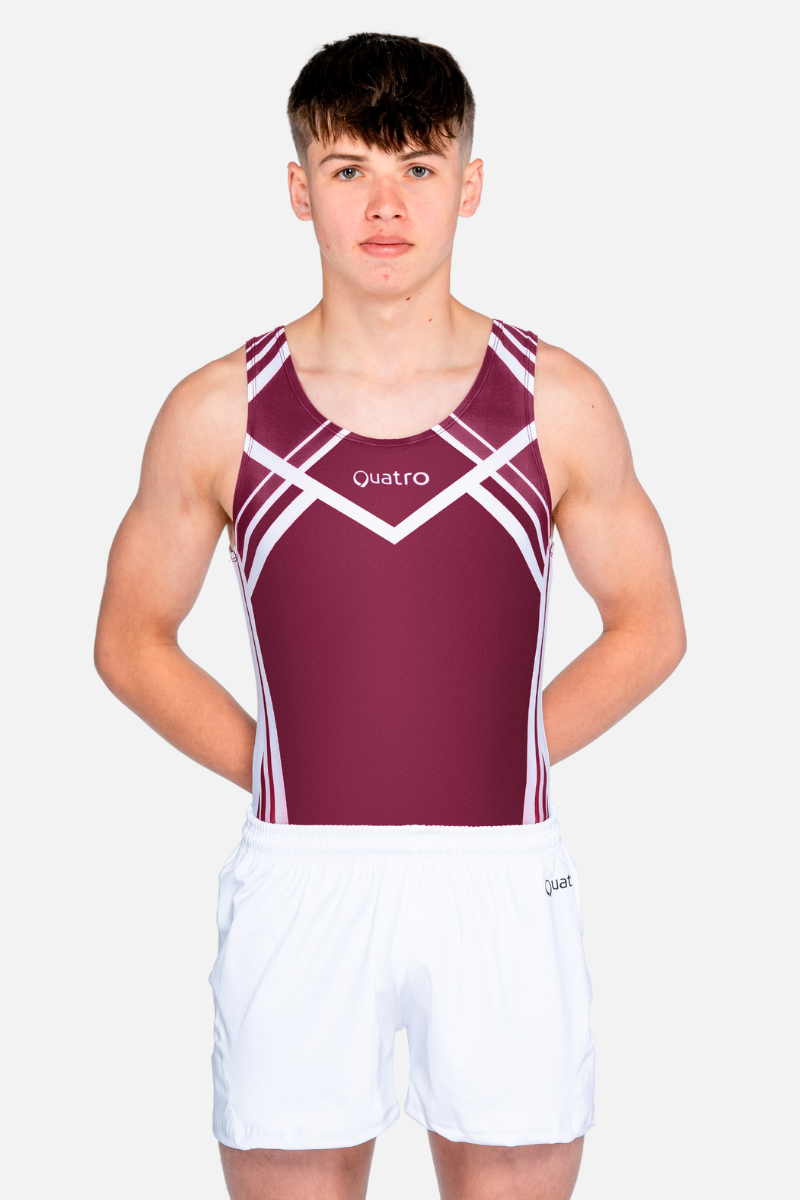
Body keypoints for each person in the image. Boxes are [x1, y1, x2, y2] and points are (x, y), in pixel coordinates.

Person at [95, 31, 685, 1200]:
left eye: (417, 167)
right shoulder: (219, 411)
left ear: (469, 185)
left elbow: (647, 627)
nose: (384, 204)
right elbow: (129, 640)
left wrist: (501, 752)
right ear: (297, 188)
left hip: (499, 873)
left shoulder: (553, 401)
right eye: (349, 167)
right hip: (301, 876)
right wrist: (282, 763)